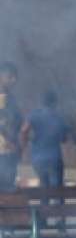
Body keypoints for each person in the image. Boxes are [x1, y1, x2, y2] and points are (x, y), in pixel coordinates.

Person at [20, 90, 76, 192]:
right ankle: (58, 202)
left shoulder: (34, 114)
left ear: (42, 102)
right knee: (57, 189)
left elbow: (24, 131)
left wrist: (24, 147)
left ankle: (44, 202)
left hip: (38, 158)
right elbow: (64, 139)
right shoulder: (59, 116)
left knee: (44, 187)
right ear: (55, 102)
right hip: (54, 158)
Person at [0, 63, 22, 191]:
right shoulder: (1, 98)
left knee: (9, 189)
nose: (14, 80)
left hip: (9, 152)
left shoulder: (11, 98)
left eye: (15, 77)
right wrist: (10, 140)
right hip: (3, 151)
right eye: (10, 77)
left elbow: (16, 122)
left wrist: (17, 144)